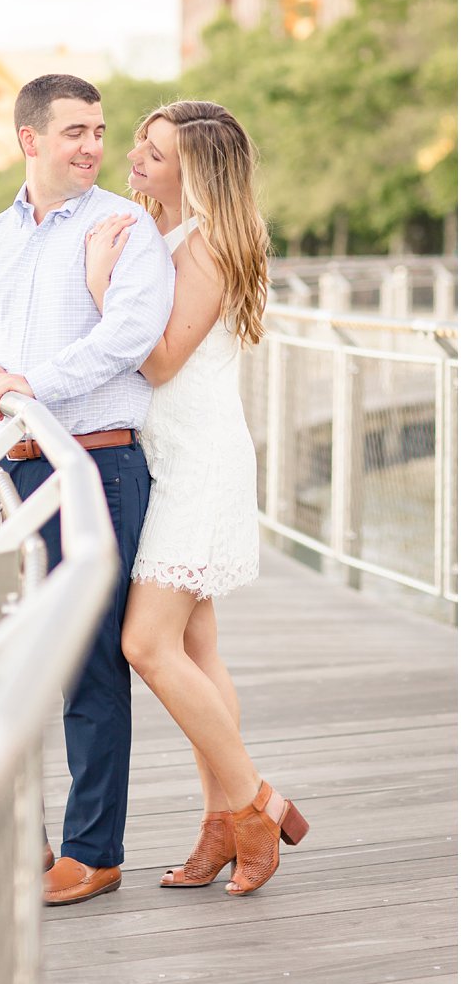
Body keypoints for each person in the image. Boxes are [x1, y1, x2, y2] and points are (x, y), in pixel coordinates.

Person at [0, 74, 174, 906]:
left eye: (99, 130)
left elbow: (129, 337)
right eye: (74, 130)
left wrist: (23, 383)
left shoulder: (124, 227)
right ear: (30, 140)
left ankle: (94, 849)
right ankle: (28, 838)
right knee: (15, 657)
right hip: (13, 467)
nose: (91, 145)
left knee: (88, 661)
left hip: (97, 465)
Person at [80, 100, 308, 895]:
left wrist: (106, 285)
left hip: (199, 463)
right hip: (168, 459)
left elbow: (165, 358)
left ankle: (256, 804)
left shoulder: (208, 243)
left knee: (146, 644)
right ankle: (219, 827)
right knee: (199, 649)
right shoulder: (164, 232)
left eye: (154, 151)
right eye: (138, 144)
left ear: (195, 169)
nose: (134, 158)